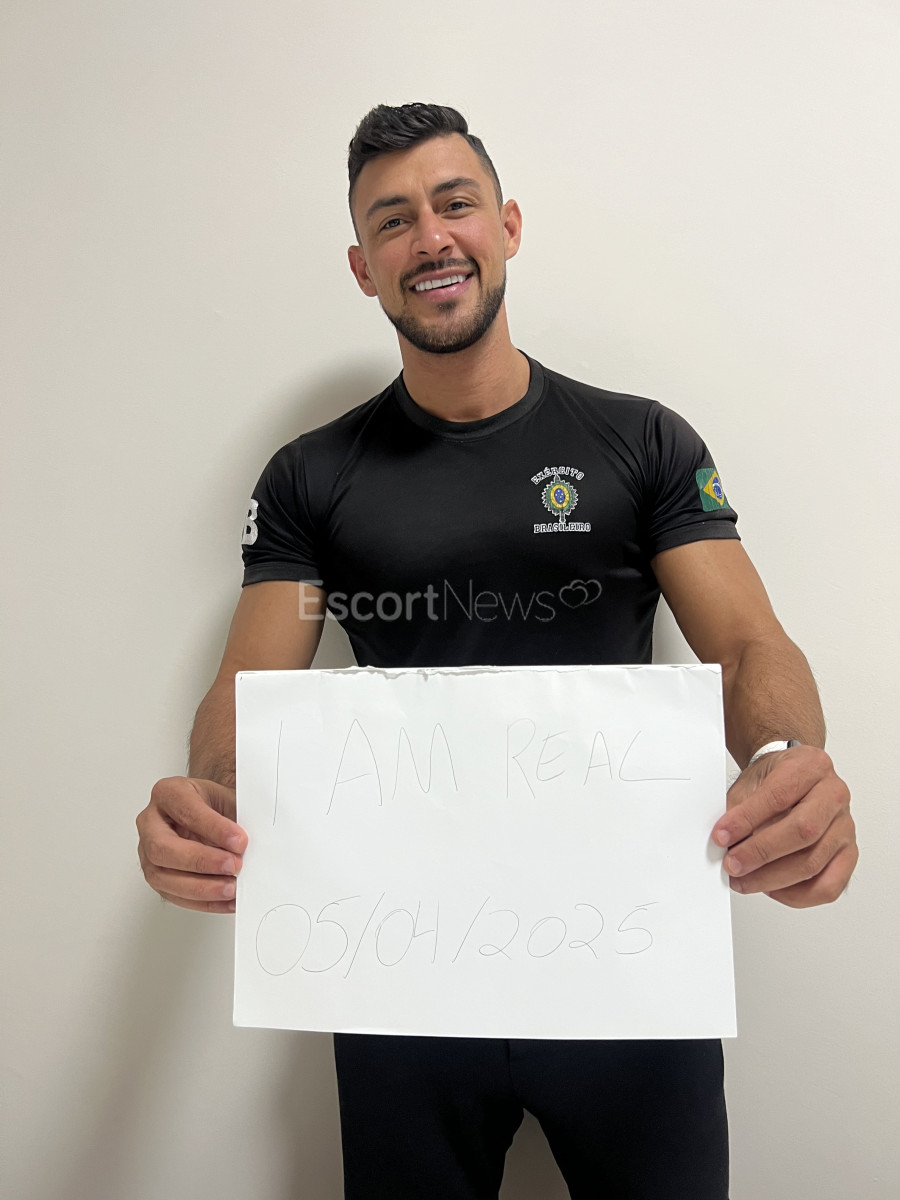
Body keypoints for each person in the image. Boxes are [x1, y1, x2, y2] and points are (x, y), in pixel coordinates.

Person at [137, 103, 858, 1199]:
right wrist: (212, 801)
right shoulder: (311, 477)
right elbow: (250, 689)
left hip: (628, 965)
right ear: (362, 266)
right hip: (398, 971)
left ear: (507, 225)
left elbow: (752, 643)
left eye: (454, 203)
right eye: (392, 220)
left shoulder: (642, 442)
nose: (430, 237)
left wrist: (784, 761)